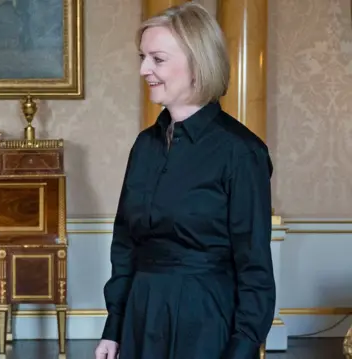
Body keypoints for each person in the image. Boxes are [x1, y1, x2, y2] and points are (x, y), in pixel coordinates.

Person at [94, 2, 275, 359]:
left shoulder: (241, 152)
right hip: (140, 317)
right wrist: (113, 330)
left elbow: (254, 268)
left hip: (206, 320)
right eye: (142, 57)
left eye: (157, 59)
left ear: (197, 63)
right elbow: (126, 246)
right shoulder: (145, 145)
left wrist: (241, 350)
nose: (144, 69)